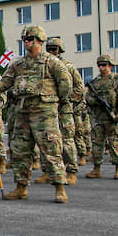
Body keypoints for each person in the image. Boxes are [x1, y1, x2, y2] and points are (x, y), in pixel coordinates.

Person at [0, 26, 72, 203]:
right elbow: (4, 83)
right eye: (25, 40)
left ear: (39, 41)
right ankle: (21, 187)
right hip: (22, 113)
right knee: (20, 151)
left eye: (30, 39)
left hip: (44, 113)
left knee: (51, 150)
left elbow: (65, 86)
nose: (26, 42)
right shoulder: (18, 64)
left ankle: (59, 187)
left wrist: (56, 104)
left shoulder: (52, 63)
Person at [36, 38, 83, 185]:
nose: (51, 52)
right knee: (46, 142)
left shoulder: (68, 67)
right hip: (47, 110)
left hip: (64, 110)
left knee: (67, 141)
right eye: (48, 49)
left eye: (54, 49)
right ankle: (48, 172)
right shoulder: (42, 67)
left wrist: (66, 100)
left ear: (60, 51)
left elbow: (79, 89)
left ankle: (71, 171)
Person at [84, 54, 118, 180]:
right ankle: (96, 169)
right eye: (99, 65)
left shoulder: (115, 80)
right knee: (97, 143)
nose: (101, 67)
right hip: (98, 118)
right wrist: (96, 101)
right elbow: (87, 98)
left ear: (110, 65)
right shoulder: (95, 82)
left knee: (114, 143)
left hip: (112, 117)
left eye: (104, 65)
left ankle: (117, 168)